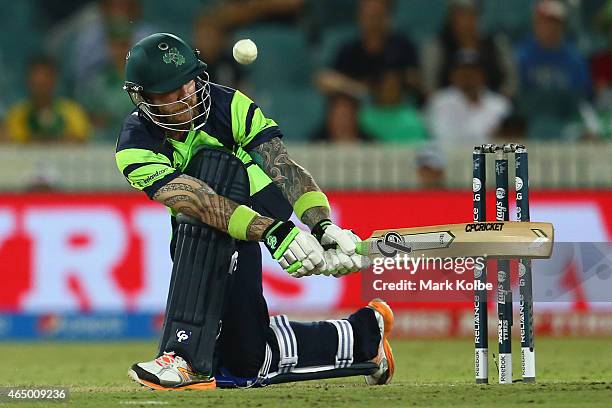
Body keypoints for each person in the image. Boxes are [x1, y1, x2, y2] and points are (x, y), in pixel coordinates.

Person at [116, 32, 394, 390]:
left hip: (258, 203)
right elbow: (198, 201)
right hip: (207, 221)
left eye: (188, 82)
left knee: (216, 179)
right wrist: (274, 232)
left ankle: (184, 357)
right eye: (170, 90)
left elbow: (285, 169)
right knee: (244, 362)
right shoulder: (135, 146)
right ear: (143, 98)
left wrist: (323, 226)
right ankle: (363, 337)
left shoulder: (228, 104)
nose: (186, 95)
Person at [316, 0, 420, 100]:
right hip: (358, 111)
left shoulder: (403, 46)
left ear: (387, 16)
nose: (371, 20)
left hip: (396, 108)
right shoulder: (349, 51)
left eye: (376, 15)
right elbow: (325, 80)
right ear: (359, 16)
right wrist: (361, 90)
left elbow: (415, 80)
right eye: (367, 14)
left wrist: (395, 82)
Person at [421, 0, 517, 97]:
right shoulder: (436, 46)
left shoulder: (496, 44)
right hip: (447, 107)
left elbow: (510, 85)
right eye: (460, 15)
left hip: (491, 107)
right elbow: (430, 88)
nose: (465, 21)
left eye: (470, 14)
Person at [427, 49, 511, 145]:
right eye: (462, 71)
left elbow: (507, 140)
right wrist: (487, 136)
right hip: (452, 157)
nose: (468, 76)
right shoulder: (440, 101)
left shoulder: (500, 104)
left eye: (473, 71)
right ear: (452, 74)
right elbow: (441, 137)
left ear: (483, 74)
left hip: (489, 158)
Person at [4, 56, 91, 143]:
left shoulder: (72, 111)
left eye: (44, 83)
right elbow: (14, 140)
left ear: (54, 80)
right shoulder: (17, 114)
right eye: (37, 84)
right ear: (28, 81)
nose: (41, 88)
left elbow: (80, 139)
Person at [359, 69, 428, 144]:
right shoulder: (363, 117)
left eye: (394, 87)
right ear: (376, 89)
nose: (390, 91)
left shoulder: (413, 117)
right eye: (386, 87)